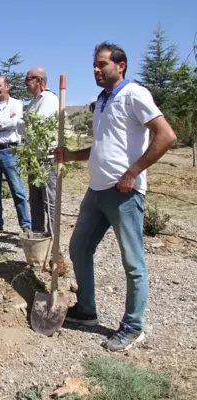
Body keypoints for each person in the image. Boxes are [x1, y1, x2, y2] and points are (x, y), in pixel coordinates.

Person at [56, 42, 177, 352]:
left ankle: (133, 326)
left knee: (132, 262)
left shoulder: (134, 94)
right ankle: (86, 310)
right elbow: (102, 147)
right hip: (96, 190)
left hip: (123, 193)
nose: (96, 70)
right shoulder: (102, 100)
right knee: (79, 248)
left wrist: (133, 172)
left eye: (102, 65)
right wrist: (70, 155)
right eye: (95, 65)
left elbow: (166, 136)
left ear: (120, 66)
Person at [0, 76, 31, 233]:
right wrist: (3, 124)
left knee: (17, 189)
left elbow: (16, 122)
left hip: (10, 150)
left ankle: (25, 224)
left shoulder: (16, 104)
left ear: (7, 87)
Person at [24, 67, 59, 234]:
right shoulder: (33, 102)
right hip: (33, 157)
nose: (25, 83)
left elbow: (36, 127)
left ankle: (53, 237)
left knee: (49, 198)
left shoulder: (49, 99)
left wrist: (19, 122)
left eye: (28, 79)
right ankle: (38, 234)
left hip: (47, 157)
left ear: (38, 81)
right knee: (35, 200)